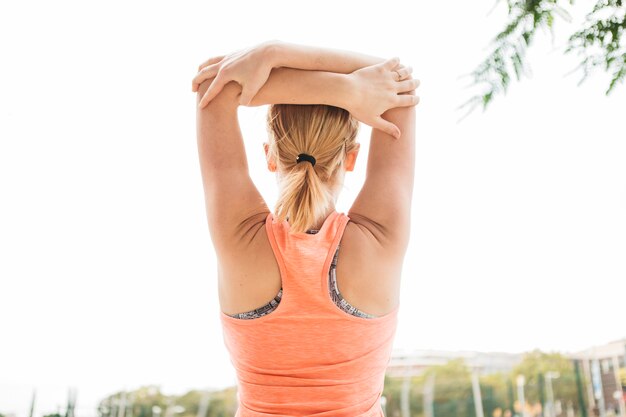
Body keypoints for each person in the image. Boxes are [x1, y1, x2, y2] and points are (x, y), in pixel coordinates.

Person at [191, 40, 419, 417]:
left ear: (269, 154)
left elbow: (214, 91)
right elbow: (397, 83)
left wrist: (344, 91)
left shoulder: (240, 237)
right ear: (351, 158)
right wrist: (273, 54)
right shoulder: (380, 238)